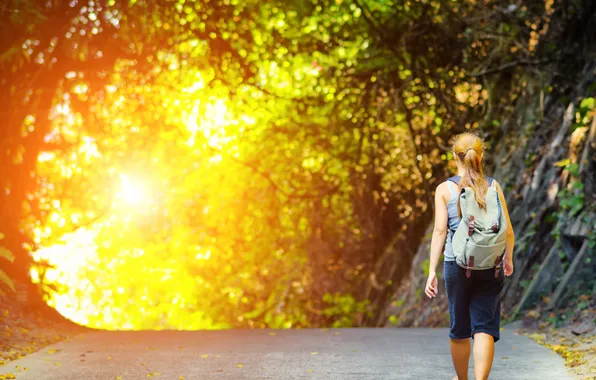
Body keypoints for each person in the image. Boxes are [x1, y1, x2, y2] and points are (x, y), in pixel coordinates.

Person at [424, 132, 515, 380]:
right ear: (481, 155)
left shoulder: (445, 189)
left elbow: (440, 230)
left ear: (455, 156)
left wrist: (432, 271)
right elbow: (508, 231)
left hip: (457, 264)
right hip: (491, 264)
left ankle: (463, 379)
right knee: (484, 325)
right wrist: (508, 259)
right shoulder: (493, 186)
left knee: (460, 327)